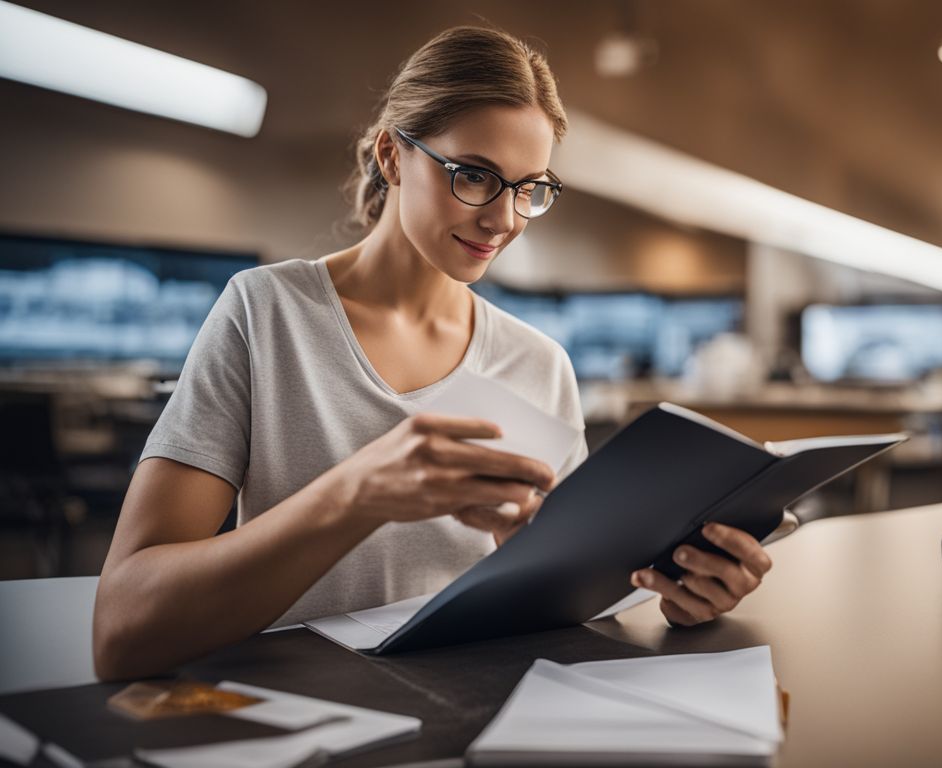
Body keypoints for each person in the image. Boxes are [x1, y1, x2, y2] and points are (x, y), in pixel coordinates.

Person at [92, 26, 772, 681]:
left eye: (528, 187)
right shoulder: (265, 313)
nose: (502, 219)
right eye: (473, 175)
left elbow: (567, 610)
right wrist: (357, 492)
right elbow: (122, 631)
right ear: (393, 156)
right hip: (296, 721)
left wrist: (678, 596)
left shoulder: (539, 365)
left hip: (470, 719)